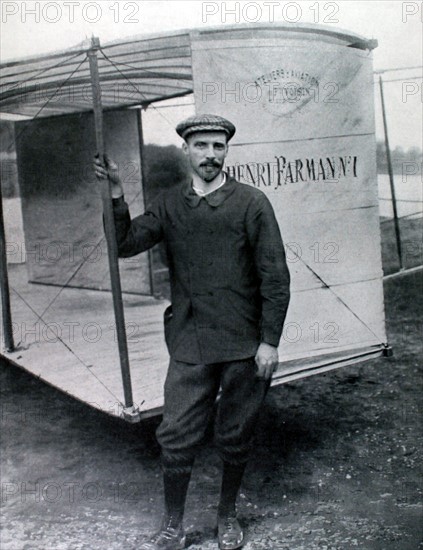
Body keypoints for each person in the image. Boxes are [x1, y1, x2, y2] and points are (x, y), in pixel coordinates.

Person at [94, 114, 290, 550]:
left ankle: (226, 517)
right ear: (185, 149)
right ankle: (173, 524)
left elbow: (275, 278)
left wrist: (269, 341)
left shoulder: (252, 203)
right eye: (201, 146)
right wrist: (115, 194)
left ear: (227, 151)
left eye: (218, 146)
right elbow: (124, 244)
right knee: (176, 435)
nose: (210, 155)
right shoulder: (169, 203)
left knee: (235, 434)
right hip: (190, 341)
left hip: (244, 344)